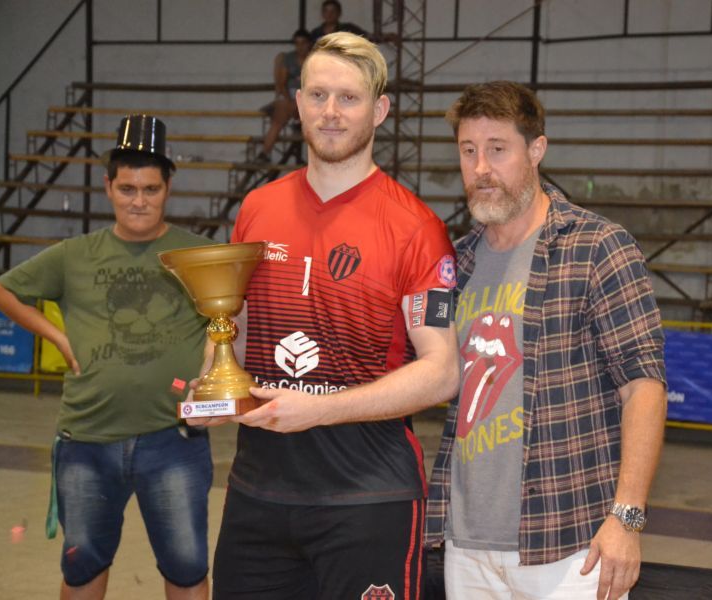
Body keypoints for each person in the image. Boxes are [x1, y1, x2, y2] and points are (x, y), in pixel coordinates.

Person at [193, 32, 459, 599]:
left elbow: (441, 371)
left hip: (368, 498)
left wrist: (322, 409)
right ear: (297, 102)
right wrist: (213, 392)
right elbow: (232, 331)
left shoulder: (415, 227)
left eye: (348, 98)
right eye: (317, 95)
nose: (330, 112)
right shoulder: (258, 208)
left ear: (380, 110)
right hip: (258, 494)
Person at [424, 81, 667, 600]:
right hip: (466, 543)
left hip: (570, 543)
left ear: (536, 150)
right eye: (469, 151)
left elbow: (643, 388)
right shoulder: (456, 263)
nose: (481, 168)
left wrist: (626, 518)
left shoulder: (598, 247)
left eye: (497, 150)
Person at [0, 115, 213, 599]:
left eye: (151, 189)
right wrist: (55, 334)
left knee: (187, 567)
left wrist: (208, 370)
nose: (140, 201)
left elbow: (226, 321)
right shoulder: (74, 255)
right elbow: (4, 291)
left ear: (168, 187)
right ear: (109, 186)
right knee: (83, 567)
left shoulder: (197, 254)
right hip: (87, 440)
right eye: (129, 188)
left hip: (173, 440)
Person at [258, 28, 312, 162]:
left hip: (310, 97)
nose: (300, 47)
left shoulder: (316, 59)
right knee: (277, 122)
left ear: (309, 44)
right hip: (291, 96)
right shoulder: (288, 59)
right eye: (297, 43)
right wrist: (290, 100)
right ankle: (264, 154)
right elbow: (281, 84)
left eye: (303, 43)